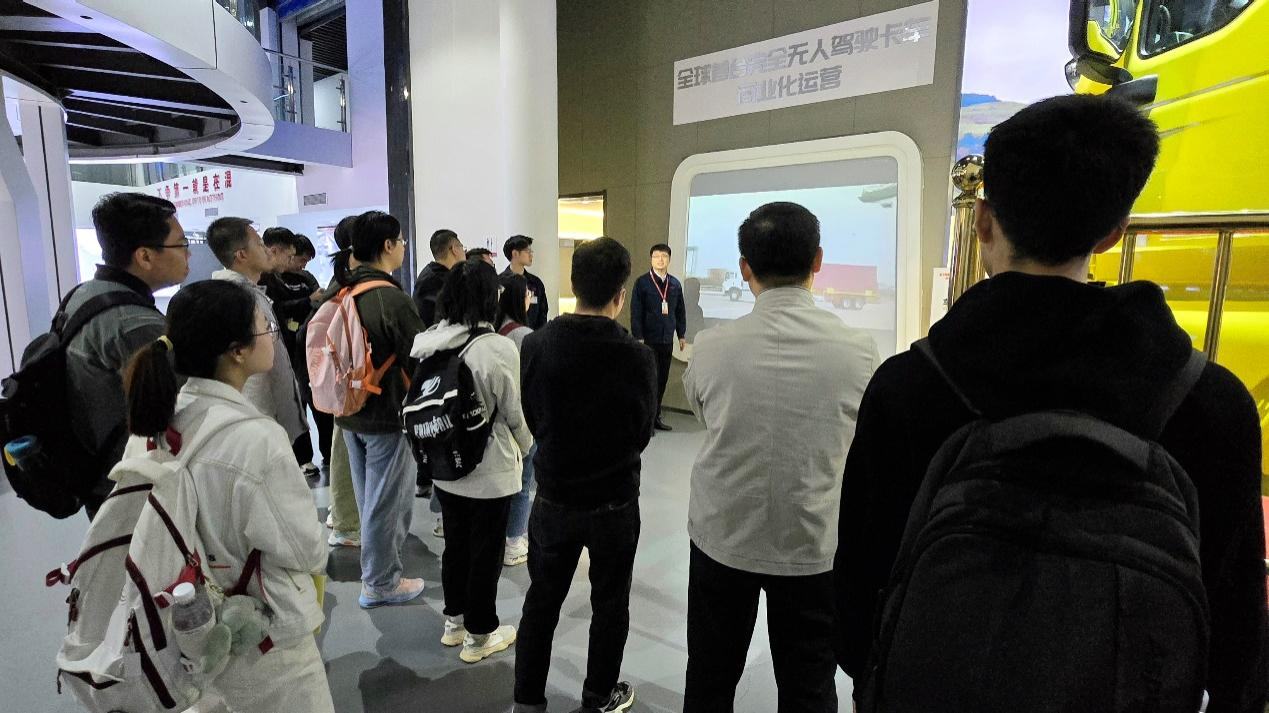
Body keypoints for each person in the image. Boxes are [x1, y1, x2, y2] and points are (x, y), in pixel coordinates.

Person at [835, 95, 1267, 712]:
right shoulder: (1211, 403)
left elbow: (858, 608)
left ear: (984, 221)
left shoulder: (908, 387)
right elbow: (1235, 635)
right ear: (1113, 232)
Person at [681, 202, 878, 713]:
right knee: (809, 687)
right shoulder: (859, 351)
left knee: (709, 678)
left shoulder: (710, 346)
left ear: (745, 267)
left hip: (723, 534)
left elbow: (704, 414)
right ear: (818, 261)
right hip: (813, 540)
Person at [123, 279, 332, 713]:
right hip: (264, 634)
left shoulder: (157, 425)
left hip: (191, 627)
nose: (272, 335)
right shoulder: (257, 440)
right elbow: (305, 549)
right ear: (237, 350)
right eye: (265, 328)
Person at [513, 237, 657, 713]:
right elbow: (641, 432)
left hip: (554, 494)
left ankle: (527, 700)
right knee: (610, 602)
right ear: (621, 294)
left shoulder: (536, 344)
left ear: (573, 285)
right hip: (615, 500)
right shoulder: (638, 356)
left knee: (542, 600)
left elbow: (533, 415)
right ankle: (598, 696)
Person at [412, 258, 532, 663]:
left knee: (456, 547)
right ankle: (481, 634)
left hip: (445, 464)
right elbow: (513, 412)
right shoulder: (496, 348)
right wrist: (527, 446)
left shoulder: (430, 343)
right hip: (490, 469)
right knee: (486, 553)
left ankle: (455, 622)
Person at [67, 192, 189, 518]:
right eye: (181, 244)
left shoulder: (84, 295)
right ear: (145, 256)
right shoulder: (135, 324)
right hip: (132, 485)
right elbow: (183, 407)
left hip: (96, 469)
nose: (188, 253)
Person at [338, 210, 428, 608]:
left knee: (369, 500)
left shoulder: (340, 288)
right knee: (386, 503)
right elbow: (418, 354)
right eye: (402, 241)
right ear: (388, 245)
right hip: (386, 412)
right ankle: (381, 582)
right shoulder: (389, 297)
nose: (404, 248)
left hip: (347, 409)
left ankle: (375, 569)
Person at [207, 218, 307, 452]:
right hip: (259, 418)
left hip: (269, 419)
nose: (267, 250)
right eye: (260, 245)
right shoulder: (235, 300)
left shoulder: (251, 294)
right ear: (242, 255)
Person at [260, 228, 324, 478]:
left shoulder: (306, 278)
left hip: (306, 348)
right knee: (293, 403)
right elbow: (279, 311)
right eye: (296, 258)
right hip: (282, 349)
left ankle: (320, 453)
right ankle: (300, 458)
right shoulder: (268, 280)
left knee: (312, 402)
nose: (299, 264)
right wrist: (307, 302)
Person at [316, 216, 361, 548]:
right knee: (346, 450)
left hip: (346, 383)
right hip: (352, 383)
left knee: (344, 445)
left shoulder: (342, 279)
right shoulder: (351, 285)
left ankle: (343, 513)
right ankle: (346, 522)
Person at [497, 273, 536, 566]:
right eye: (527, 294)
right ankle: (513, 541)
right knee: (522, 483)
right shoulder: (524, 336)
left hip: (495, 420)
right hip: (520, 418)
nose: (530, 298)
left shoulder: (494, 330)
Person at [630, 243, 687, 431]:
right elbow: (636, 311)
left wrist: (681, 334)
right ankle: (645, 422)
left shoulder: (675, 284)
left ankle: (655, 418)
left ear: (669, 259)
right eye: (656, 256)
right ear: (651, 259)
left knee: (661, 380)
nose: (660, 260)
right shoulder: (642, 283)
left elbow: (680, 311)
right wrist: (638, 336)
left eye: (664, 256)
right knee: (649, 381)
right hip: (648, 340)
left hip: (666, 339)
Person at [413, 228, 465, 327]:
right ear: (455, 249)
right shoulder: (437, 281)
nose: (464, 253)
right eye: (462, 247)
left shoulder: (431, 274)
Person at [501, 235, 548, 329]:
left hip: (533, 335)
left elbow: (543, 312)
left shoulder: (536, 282)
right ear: (515, 253)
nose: (531, 255)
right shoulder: (500, 282)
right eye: (527, 251)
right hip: (507, 335)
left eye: (531, 251)